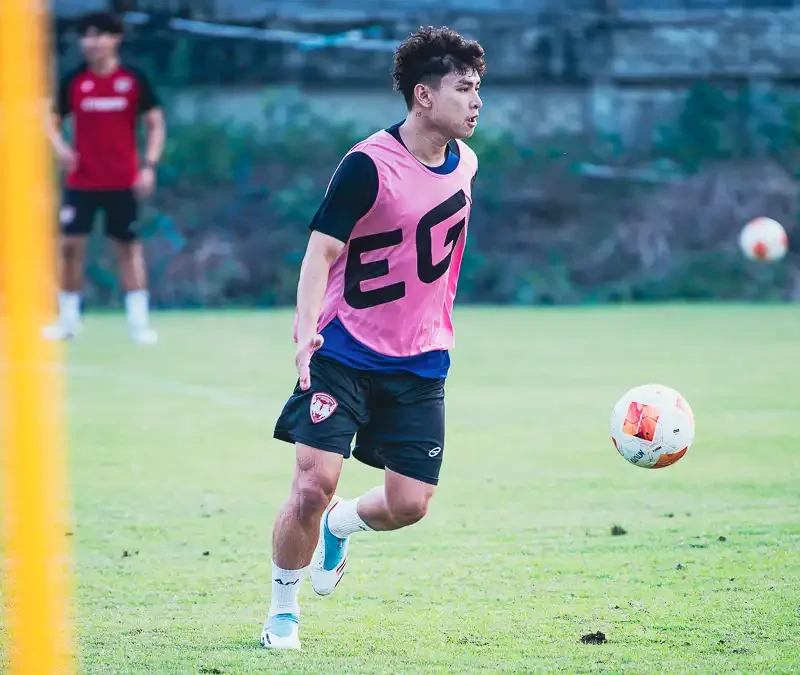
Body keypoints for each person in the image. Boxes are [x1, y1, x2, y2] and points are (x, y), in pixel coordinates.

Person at [261, 25, 485, 650]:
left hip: (421, 360)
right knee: (312, 482)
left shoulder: (465, 162)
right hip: (343, 352)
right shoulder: (366, 164)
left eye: (478, 89)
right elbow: (320, 252)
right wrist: (306, 331)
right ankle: (283, 610)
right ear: (422, 96)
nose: (476, 101)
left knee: (409, 504)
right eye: (463, 89)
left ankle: (342, 526)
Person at [44, 11, 166, 345]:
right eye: (86, 36)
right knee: (70, 247)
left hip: (122, 182)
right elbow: (51, 119)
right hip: (81, 182)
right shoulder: (74, 81)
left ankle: (138, 324)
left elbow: (155, 122)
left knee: (128, 249)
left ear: (116, 39)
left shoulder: (132, 80)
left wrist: (149, 165)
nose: (91, 42)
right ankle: (68, 321)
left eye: (99, 35)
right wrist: (60, 148)